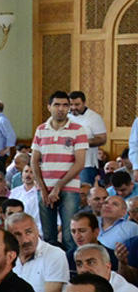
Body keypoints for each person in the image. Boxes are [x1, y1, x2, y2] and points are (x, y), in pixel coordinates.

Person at [31, 90, 88, 249]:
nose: (61, 109)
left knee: (70, 236)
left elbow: (80, 163)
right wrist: (42, 188)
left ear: (69, 108)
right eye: (57, 105)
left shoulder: (78, 129)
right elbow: (34, 161)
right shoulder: (41, 129)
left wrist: (58, 186)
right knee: (49, 237)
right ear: (49, 107)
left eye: (65, 105)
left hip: (69, 188)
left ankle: (72, 265)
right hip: (45, 188)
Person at [5, 211, 70, 292]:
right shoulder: (8, 257)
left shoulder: (54, 254)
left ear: (37, 230)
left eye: (29, 232)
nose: (25, 240)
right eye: (18, 235)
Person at [70, 90, 108, 187]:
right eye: (71, 104)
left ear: (84, 103)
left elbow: (102, 139)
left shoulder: (94, 118)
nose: (73, 107)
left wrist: (80, 142)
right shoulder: (65, 116)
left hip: (86, 164)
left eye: (77, 104)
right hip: (66, 163)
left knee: (85, 191)